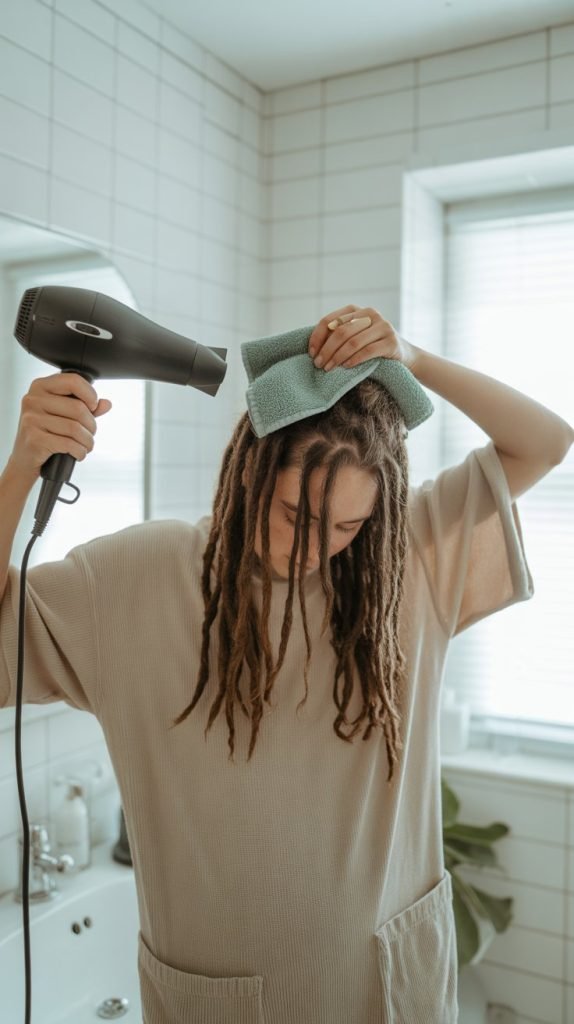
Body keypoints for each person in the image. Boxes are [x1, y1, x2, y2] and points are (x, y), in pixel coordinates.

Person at [0, 303, 553, 1023]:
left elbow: (543, 443)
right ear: (253, 464)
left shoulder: (408, 560)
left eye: (349, 527)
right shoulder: (134, 579)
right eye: (298, 514)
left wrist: (412, 358)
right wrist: (20, 467)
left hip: (386, 989)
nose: (318, 547)